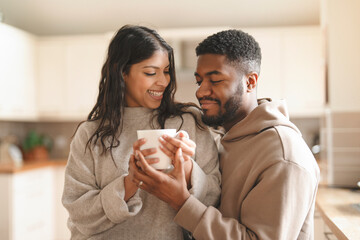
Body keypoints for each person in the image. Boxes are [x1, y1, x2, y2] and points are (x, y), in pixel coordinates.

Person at [131, 29, 320, 239]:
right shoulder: (225, 139)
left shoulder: (283, 155)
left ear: (250, 82)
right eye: (199, 81)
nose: (201, 91)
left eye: (215, 80)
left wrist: (181, 201)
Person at [61, 25, 221, 239]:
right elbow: (79, 212)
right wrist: (130, 183)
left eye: (166, 71)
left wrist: (189, 169)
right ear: (122, 72)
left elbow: (215, 196)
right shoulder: (90, 134)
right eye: (150, 72)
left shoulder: (189, 122)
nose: (163, 81)